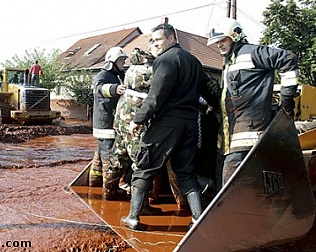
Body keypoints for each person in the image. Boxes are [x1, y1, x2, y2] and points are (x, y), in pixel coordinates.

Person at [121, 23, 218, 230]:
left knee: (144, 167)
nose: (154, 44)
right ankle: (198, 219)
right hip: (190, 124)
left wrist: (138, 119)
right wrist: (218, 108)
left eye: (158, 40)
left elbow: (156, 96)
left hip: (167, 123)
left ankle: (133, 217)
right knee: (186, 173)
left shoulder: (165, 60)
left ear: (172, 38)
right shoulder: (194, 62)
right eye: (152, 41)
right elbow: (209, 93)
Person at [206, 18, 299, 187]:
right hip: (231, 135)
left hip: (247, 134)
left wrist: (286, 102)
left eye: (223, 40)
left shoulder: (252, 53)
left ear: (235, 36)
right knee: (225, 178)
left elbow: (288, 59)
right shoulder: (229, 60)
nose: (219, 45)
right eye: (217, 42)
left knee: (231, 183)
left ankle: (232, 213)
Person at [89, 46, 127, 200]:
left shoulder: (118, 75)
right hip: (106, 126)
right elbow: (98, 88)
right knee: (109, 160)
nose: (123, 63)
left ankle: (94, 182)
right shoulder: (103, 76)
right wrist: (114, 89)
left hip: (108, 125)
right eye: (121, 60)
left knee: (98, 157)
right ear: (112, 61)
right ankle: (109, 193)